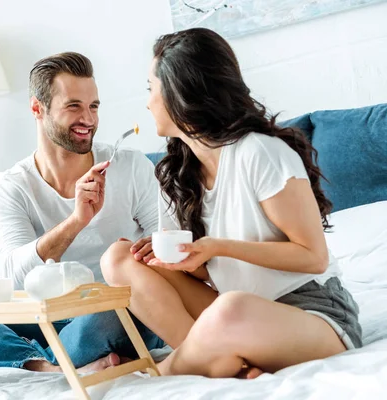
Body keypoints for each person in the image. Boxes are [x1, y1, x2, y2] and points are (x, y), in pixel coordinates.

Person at [101, 28, 362, 379]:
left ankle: (165, 373)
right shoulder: (176, 174)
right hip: (235, 313)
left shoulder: (260, 152)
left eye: (152, 89)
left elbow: (313, 257)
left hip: (311, 314)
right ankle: (225, 362)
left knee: (230, 309)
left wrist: (216, 247)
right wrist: (179, 261)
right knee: (118, 257)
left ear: (182, 91)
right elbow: (213, 271)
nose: (147, 103)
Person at [0, 52, 164, 372]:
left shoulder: (131, 166)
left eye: (93, 106)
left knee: (119, 307)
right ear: (37, 108)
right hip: (41, 315)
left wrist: (149, 251)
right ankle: (44, 364)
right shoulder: (12, 186)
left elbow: (164, 243)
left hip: (105, 314)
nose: (89, 119)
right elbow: (13, 276)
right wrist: (77, 220)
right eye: (74, 106)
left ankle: (15, 355)